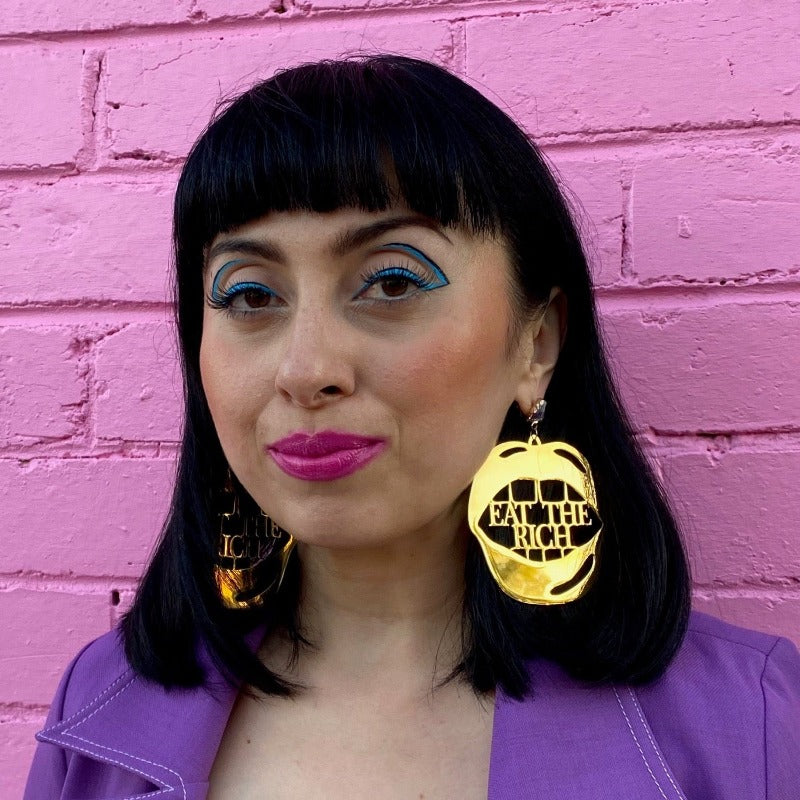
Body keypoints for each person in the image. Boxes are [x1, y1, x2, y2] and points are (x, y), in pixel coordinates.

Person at [24, 54, 800, 800]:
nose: (305, 369)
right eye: (251, 296)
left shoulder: (757, 722)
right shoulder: (100, 703)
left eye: (391, 282)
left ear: (536, 345)